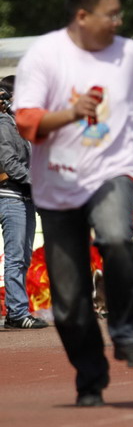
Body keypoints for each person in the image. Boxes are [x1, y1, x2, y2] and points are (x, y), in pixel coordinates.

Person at [14, 0, 133, 407]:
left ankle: (130, 335)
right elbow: (26, 122)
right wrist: (70, 113)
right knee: (69, 299)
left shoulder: (130, 55)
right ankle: (89, 377)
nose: (119, 21)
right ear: (82, 15)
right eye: (110, 14)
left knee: (116, 237)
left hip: (113, 172)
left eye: (119, 13)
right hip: (58, 186)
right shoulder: (45, 56)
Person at [0, 76, 47, 329]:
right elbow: (10, 164)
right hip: (11, 197)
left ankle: (16, 312)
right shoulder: (5, 124)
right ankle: (17, 313)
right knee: (17, 258)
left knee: (22, 258)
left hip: (23, 197)